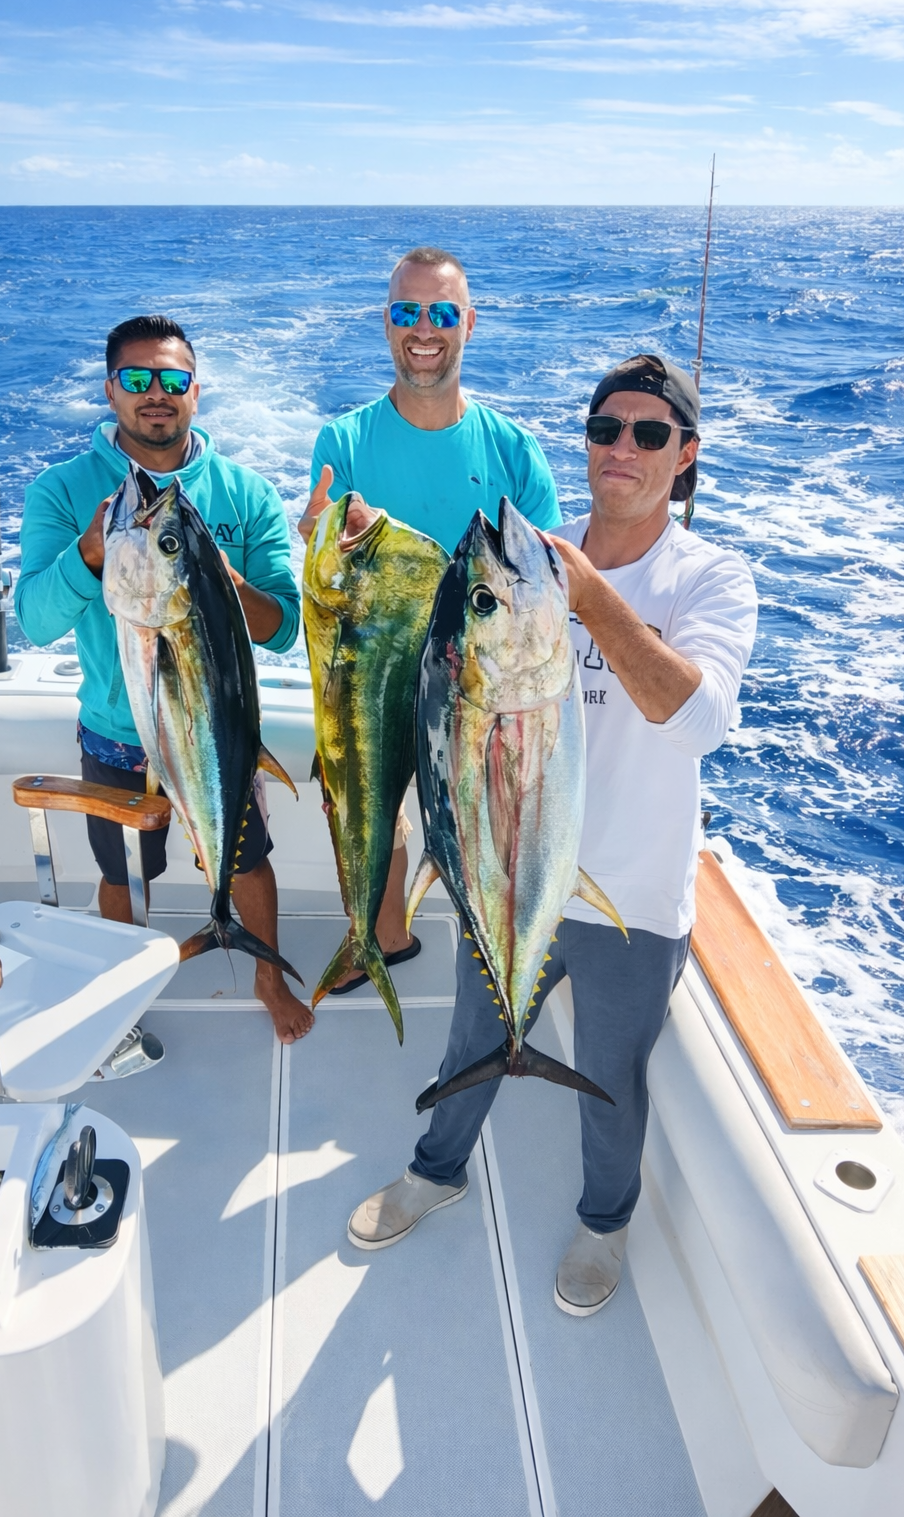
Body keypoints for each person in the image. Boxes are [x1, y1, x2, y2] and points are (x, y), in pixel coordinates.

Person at [346, 353, 758, 1319]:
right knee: (468, 1044)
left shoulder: (708, 578)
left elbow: (699, 721)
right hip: (503, 872)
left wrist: (585, 599)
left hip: (634, 902)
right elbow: (443, 659)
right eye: (606, 428)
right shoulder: (528, 555)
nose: (622, 447)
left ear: (684, 454)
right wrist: (369, 550)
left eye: (649, 434)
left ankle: (604, 1223)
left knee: (609, 1081)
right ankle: (435, 1169)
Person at [15, 314, 314, 1045]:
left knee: (248, 859)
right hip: (118, 734)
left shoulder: (244, 493)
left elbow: (285, 628)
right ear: (111, 390)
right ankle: (124, 985)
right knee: (120, 873)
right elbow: (34, 619)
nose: (158, 393)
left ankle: (265, 969)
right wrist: (88, 556)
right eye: (139, 379)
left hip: (221, 732)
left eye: (173, 380)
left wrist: (224, 582)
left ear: (196, 392)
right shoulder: (61, 492)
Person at [299, 245, 562, 989]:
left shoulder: (515, 450)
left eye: (442, 313)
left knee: (486, 832)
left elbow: (550, 583)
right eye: (407, 312)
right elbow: (327, 575)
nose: (424, 329)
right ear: (385, 324)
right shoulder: (342, 441)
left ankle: (496, 956)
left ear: (469, 324)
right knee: (363, 817)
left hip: (483, 691)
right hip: (372, 682)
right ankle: (383, 937)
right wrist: (316, 534)